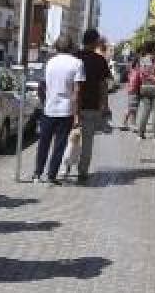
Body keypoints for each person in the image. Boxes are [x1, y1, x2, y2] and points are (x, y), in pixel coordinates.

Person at [32, 35, 84, 186]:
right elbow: (77, 92)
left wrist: (44, 102)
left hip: (48, 109)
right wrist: (76, 114)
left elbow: (42, 86)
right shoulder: (77, 63)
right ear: (71, 47)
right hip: (66, 110)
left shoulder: (50, 62)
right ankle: (51, 176)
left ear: (56, 46)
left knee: (43, 143)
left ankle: (37, 174)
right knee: (59, 145)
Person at [73, 29, 113, 182]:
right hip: (91, 106)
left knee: (69, 137)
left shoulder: (74, 57)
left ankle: (65, 167)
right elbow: (103, 85)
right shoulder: (99, 60)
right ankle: (82, 171)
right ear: (95, 42)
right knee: (87, 141)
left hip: (71, 105)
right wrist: (105, 105)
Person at [135, 42, 155, 139]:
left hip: (144, 87)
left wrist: (149, 78)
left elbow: (141, 74)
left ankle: (140, 134)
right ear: (153, 49)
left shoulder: (142, 60)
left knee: (145, 110)